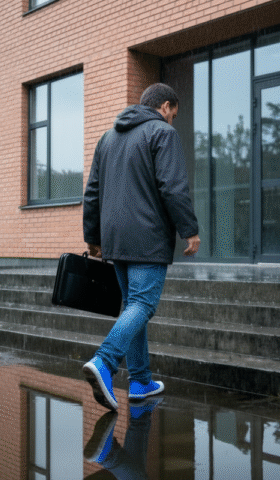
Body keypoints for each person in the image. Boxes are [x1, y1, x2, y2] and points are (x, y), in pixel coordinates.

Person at [82, 83, 200, 410]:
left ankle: (140, 381)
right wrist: (189, 229)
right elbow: (173, 187)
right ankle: (104, 362)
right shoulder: (162, 133)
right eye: (173, 114)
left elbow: (92, 192)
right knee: (143, 305)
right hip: (147, 237)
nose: (172, 121)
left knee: (133, 306)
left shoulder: (107, 138)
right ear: (164, 106)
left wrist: (92, 238)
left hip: (115, 239)